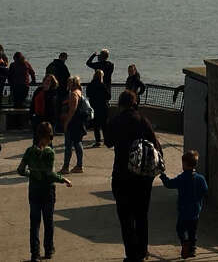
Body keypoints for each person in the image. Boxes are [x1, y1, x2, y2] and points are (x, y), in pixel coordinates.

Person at [105, 90, 162, 262]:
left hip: (122, 175)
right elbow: (156, 146)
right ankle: (142, 251)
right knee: (141, 215)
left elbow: (108, 142)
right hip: (142, 177)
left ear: (120, 104)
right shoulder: (143, 120)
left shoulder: (116, 120)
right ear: (134, 102)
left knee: (126, 218)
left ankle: (131, 255)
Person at [16, 121, 72, 261]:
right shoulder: (49, 153)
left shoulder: (29, 151)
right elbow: (50, 174)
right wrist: (63, 179)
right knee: (48, 221)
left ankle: (34, 253)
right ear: (48, 137)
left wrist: (32, 173)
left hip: (34, 190)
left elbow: (21, 170)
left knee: (34, 223)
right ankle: (48, 249)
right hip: (47, 191)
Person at [160, 150, 209, 259]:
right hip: (195, 211)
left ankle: (185, 242)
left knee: (180, 229)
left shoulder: (182, 178)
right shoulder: (200, 178)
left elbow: (169, 184)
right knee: (193, 231)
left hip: (183, 211)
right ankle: (192, 249)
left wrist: (162, 176)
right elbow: (205, 190)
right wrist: (198, 198)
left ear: (185, 164)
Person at [60, 77, 86, 174]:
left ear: (74, 83)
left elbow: (72, 110)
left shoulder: (73, 94)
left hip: (73, 123)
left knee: (69, 146)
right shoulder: (79, 92)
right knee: (78, 143)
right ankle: (79, 165)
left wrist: (66, 123)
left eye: (69, 82)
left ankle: (66, 167)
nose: (68, 84)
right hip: (78, 122)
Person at [29, 75, 59, 143]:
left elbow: (54, 106)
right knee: (36, 139)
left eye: (49, 81)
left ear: (52, 83)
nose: (47, 82)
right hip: (38, 117)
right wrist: (30, 116)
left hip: (49, 119)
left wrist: (54, 120)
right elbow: (33, 104)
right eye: (46, 80)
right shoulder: (38, 90)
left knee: (48, 140)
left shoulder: (54, 92)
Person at [86, 69, 110, 147]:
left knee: (96, 125)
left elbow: (88, 94)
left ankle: (98, 141)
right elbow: (108, 96)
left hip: (94, 106)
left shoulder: (90, 85)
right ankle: (106, 140)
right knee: (104, 125)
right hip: (103, 107)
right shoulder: (103, 85)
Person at [46, 54, 70, 130]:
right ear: (64, 58)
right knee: (61, 109)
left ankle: (51, 126)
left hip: (51, 90)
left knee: (52, 108)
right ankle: (59, 126)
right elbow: (68, 77)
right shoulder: (63, 66)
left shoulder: (50, 65)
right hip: (61, 91)